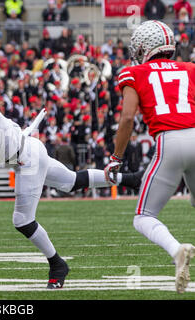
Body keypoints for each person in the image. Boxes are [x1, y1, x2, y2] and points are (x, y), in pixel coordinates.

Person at [0, 88, 143, 289]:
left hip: (26, 158)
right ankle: (131, 179)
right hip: (27, 151)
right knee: (71, 181)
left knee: (22, 220)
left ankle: (57, 264)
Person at [105, 20, 195, 294]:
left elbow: (128, 117)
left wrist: (116, 157)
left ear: (145, 47)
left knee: (144, 217)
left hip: (170, 141)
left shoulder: (134, 72)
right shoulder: (190, 68)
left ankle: (176, 250)